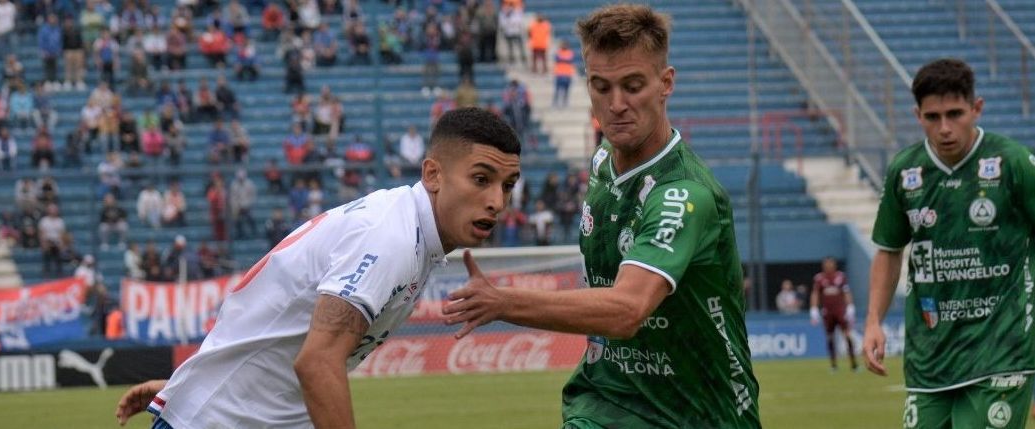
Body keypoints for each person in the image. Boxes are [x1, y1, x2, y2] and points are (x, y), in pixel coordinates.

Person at [440, 6, 761, 428]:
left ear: (665, 84)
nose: (616, 105)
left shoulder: (684, 195)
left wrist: (504, 301)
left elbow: (626, 310)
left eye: (632, 86)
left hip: (698, 415)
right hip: (605, 402)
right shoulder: (603, 161)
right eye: (601, 87)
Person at [114, 107, 522, 428]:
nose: (496, 202)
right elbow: (317, 361)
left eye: (507, 185)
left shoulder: (409, 231)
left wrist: (190, 385)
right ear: (432, 174)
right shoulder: (391, 238)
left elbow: (277, 324)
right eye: (481, 179)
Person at [863, 58, 1035, 429]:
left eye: (955, 114)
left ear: (976, 109)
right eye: (932, 117)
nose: (944, 129)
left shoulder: (1014, 163)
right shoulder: (905, 172)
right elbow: (890, 250)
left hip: (1002, 350)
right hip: (931, 358)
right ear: (917, 115)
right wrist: (873, 320)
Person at [810, 256, 857, 372]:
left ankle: (853, 364)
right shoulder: (819, 278)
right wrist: (814, 309)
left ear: (834, 265)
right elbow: (815, 294)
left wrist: (850, 306)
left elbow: (846, 292)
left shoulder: (840, 277)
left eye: (831, 264)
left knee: (847, 335)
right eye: (826, 264)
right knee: (830, 337)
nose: (829, 266)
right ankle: (833, 365)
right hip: (827, 312)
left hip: (840, 311)